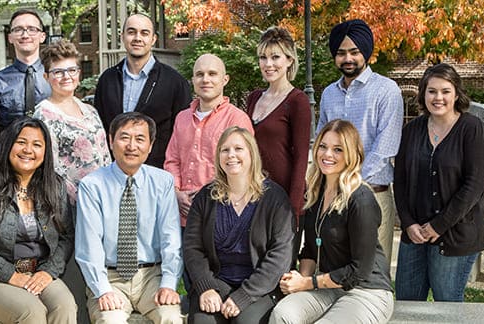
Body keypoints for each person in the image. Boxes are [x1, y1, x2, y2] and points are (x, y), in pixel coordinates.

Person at [269, 120, 394, 324]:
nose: (327, 155)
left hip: (365, 291)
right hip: (326, 287)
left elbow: (359, 270)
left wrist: (308, 283)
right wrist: (298, 284)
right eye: (323, 146)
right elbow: (309, 250)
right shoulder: (315, 195)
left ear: (351, 155)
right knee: (283, 313)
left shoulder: (361, 200)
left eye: (338, 149)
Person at [0, 117, 76, 323]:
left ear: (45, 152)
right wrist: (10, 275)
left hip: (39, 271)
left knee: (65, 306)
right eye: (21, 142)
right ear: (8, 145)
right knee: (31, 312)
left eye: (37, 145)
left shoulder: (54, 185)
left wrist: (48, 272)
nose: (28, 150)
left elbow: (67, 236)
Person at [394, 63, 484, 302]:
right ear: (423, 94)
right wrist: (408, 223)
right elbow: (400, 181)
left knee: (446, 306)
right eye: (431, 91)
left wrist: (438, 225)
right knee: (407, 305)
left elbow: (474, 185)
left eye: (445, 91)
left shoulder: (472, 129)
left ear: (456, 93)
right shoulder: (411, 131)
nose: (438, 97)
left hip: (455, 235)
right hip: (414, 234)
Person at [76, 112, 184, 323]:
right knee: (111, 320)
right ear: (110, 140)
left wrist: (169, 284)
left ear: (151, 145)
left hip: (151, 276)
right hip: (110, 277)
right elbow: (89, 245)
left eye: (140, 139)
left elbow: (171, 238)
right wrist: (102, 289)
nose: (131, 146)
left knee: (171, 317)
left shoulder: (162, 182)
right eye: (124, 137)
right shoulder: (92, 185)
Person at [184, 126, 295, 324]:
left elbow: (280, 255)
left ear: (252, 153)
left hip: (258, 288)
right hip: (215, 283)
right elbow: (193, 247)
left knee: (247, 322)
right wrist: (205, 287)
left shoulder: (275, 198)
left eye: (238, 149)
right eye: (225, 150)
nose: (231, 155)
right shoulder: (205, 197)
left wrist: (243, 296)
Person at [318, 19, 403, 264]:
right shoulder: (328, 94)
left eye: (354, 52)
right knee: (335, 268)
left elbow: (385, 147)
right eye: (341, 53)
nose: (348, 58)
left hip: (372, 195)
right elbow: (322, 144)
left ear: (365, 52)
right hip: (333, 198)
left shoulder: (387, 90)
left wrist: (349, 184)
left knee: (373, 272)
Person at [164, 53, 253, 228]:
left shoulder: (237, 119)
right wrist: (176, 193)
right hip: (181, 216)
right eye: (200, 74)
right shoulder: (182, 118)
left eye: (212, 74)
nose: (205, 79)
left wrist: (208, 195)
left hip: (220, 214)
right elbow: (172, 160)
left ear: (225, 79)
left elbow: (244, 168)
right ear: (193, 80)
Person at [93, 13, 192, 168]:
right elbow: (99, 129)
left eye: (144, 33)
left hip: (156, 175)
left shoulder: (175, 82)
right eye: (131, 32)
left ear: (153, 39)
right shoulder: (107, 80)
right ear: (122, 36)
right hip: (112, 173)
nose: (137, 38)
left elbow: (184, 136)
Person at [246, 26, 311, 223]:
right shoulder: (254, 98)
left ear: (289, 60)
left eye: (275, 57)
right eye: (263, 58)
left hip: (283, 197)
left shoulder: (297, 101)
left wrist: (293, 207)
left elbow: (301, 158)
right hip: (253, 194)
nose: (268, 64)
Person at [33, 39, 111, 204]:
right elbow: (50, 169)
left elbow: (105, 156)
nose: (66, 76)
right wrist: (81, 200)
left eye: (71, 70)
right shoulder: (44, 115)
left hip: (103, 197)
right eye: (58, 72)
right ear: (46, 77)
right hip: (72, 204)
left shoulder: (90, 110)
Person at [0, 9, 51, 133]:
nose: (25, 35)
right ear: (10, 38)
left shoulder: (55, 78)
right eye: (18, 30)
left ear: (42, 37)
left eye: (32, 29)